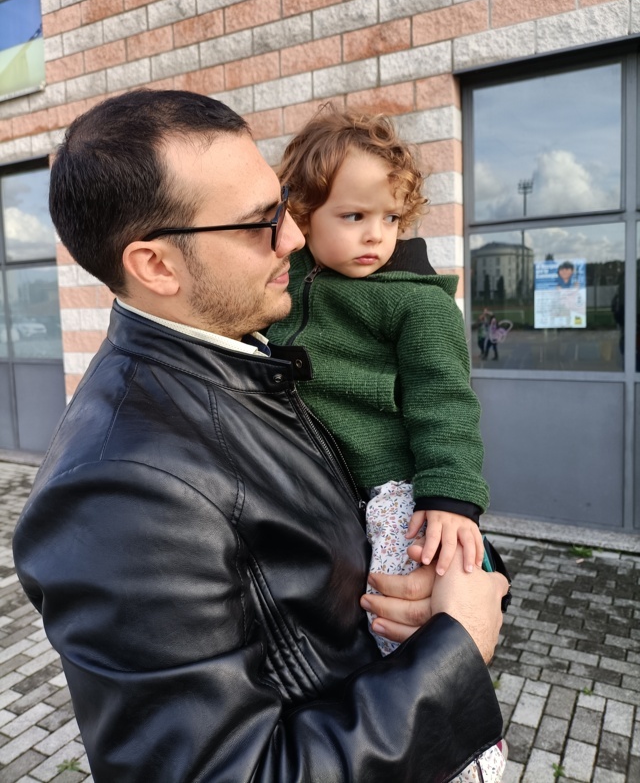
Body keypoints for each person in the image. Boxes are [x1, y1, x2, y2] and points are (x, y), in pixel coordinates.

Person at [12, 89, 509, 783]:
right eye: (260, 222)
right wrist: (456, 651)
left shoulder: (249, 351)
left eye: (284, 206)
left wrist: (457, 572)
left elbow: (360, 493)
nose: (295, 237)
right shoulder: (117, 492)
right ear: (157, 265)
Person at [267, 107, 508, 781]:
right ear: (302, 214)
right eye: (354, 216)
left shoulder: (415, 303)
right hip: (322, 491)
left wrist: (451, 498)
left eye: (391, 217)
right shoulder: (281, 286)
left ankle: (468, 753)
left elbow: (446, 403)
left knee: (411, 621)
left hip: (395, 491)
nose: (376, 234)